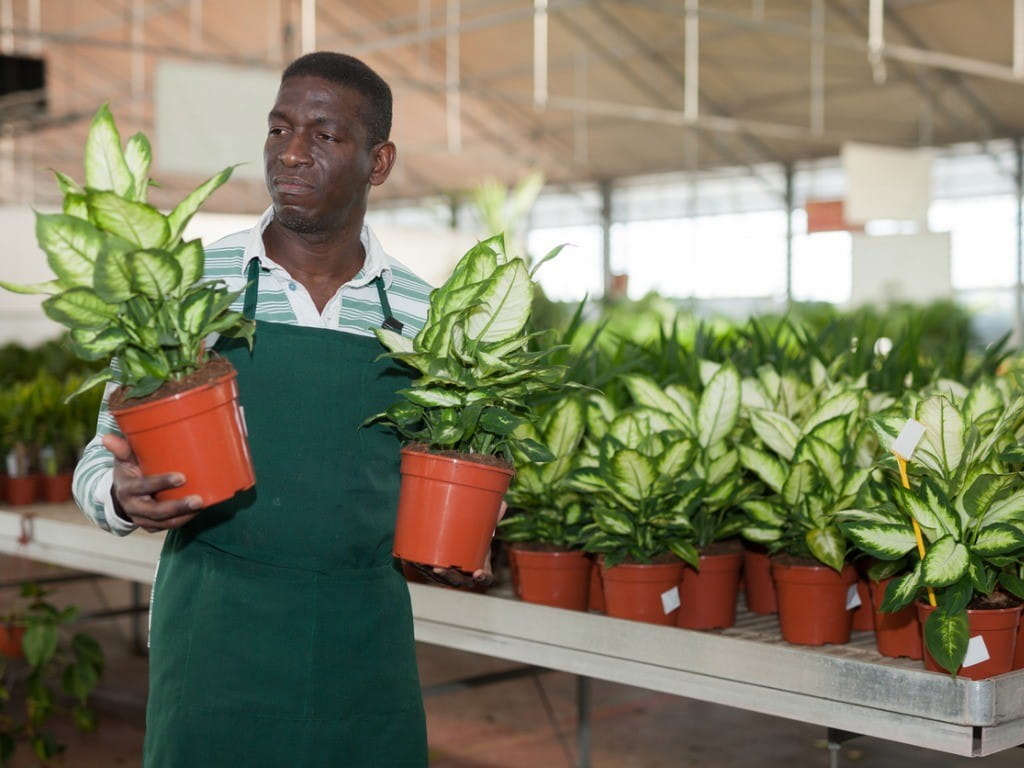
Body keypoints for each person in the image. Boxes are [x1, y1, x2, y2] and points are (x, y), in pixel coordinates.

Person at [72, 51, 473, 767]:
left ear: (378, 162)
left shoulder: (421, 313)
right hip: (216, 638)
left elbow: (447, 467)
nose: (290, 152)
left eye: (324, 135)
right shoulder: (192, 287)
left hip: (363, 644)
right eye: (278, 128)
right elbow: (101, 455)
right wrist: (123, 496)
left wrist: (470, 539)